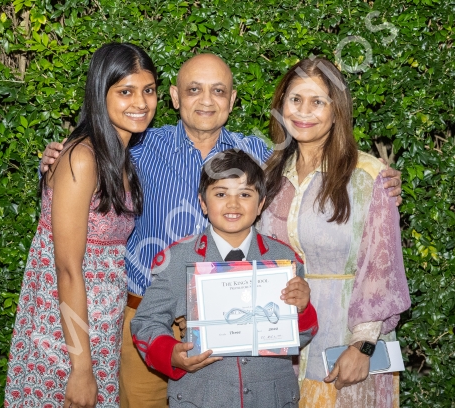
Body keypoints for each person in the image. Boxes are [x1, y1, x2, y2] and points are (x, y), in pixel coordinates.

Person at [38, 53, 403, 407]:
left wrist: (377, 185)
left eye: (218, 90)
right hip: (150, 318)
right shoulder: (137, 148)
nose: (206, 101)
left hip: (238, 328)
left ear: (232, 99)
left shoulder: (262, 156)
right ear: (175, 97)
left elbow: (313, 174)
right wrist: (58, 159)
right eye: (194, 89)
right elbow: (92, 159)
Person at [5, 43, 157, 407]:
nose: (141, 102)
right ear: (100, 93)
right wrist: (81, 368)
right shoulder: (83, 158)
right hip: (65, 338)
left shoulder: (119, 156)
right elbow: (68, 269)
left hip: (100, 329)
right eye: (125, 92)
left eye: (148, 90)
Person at [258, 56, 411, 407]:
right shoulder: (268, 175)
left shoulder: (368, 176)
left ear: (336, 110)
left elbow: (380, 269)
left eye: (318, 102)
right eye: (295, 99)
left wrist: (364, 346)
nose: (303, 111)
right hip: (278, 349)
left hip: (345, 348)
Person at [131, 150, 319, 407]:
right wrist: (171, 354)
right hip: (202, 397)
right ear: (203, 203)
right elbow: (145, 321)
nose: (233, 204)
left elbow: (301, 335)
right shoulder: (177, 259)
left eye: (245, 194)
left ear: (261, 204)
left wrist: (303, 309)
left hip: (270, 397)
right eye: (221, 194)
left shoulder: (285, 259)